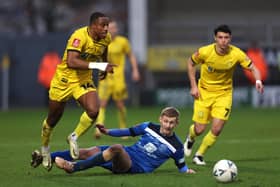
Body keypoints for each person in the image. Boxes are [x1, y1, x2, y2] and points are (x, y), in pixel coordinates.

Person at [35, 12, 116, 171]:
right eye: (103, 25)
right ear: (93, 26)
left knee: (94, 110)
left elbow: (103, 50)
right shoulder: (79, 36)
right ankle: (45, 148)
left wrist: (104, 65)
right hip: (63, 80)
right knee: (53, 119)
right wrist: (98, 66)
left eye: (107, 25)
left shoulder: (106, 38)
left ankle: (74, 136)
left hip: (83, 80)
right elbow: (72, 62)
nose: (106, 28)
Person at [184, 24, 264, 165]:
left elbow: (253, 68)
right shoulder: (205, 52)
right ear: (215, 38)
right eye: (220, 37)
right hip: (204, 93)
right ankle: (190, 138)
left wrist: (258, 80)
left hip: (224, 95)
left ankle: (199, 155)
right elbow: (190, 63)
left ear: (230, 38)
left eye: (226, 37)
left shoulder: (236, 54)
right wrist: (193, 86)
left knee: (217, 128)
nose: (223, 41)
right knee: (199, 129)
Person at [31, 107, 196, 174]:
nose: (168, 125)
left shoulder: (176, 146)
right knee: (89, 151)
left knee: (116, 148)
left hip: (134, 167)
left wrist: (187, 171)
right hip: (127, 154)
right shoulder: (148, 126)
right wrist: (107, 131)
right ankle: (46, 157)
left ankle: (73, 167)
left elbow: (181, 166)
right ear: (161, 119)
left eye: (171, 123)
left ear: (176, 123)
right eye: (166, 121)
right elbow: (128, 131)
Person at [94, 20, 140, 139]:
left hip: (118, 77)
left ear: (117, 29)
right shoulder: (101, 41)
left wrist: (135, 70)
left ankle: (123, 128)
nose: (112, 30)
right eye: (110, 28)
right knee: (102, 103)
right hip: (105, 77)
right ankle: (99, 128)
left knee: (120, 104)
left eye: (114, 28)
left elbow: (131, 56)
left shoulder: (123, 42)